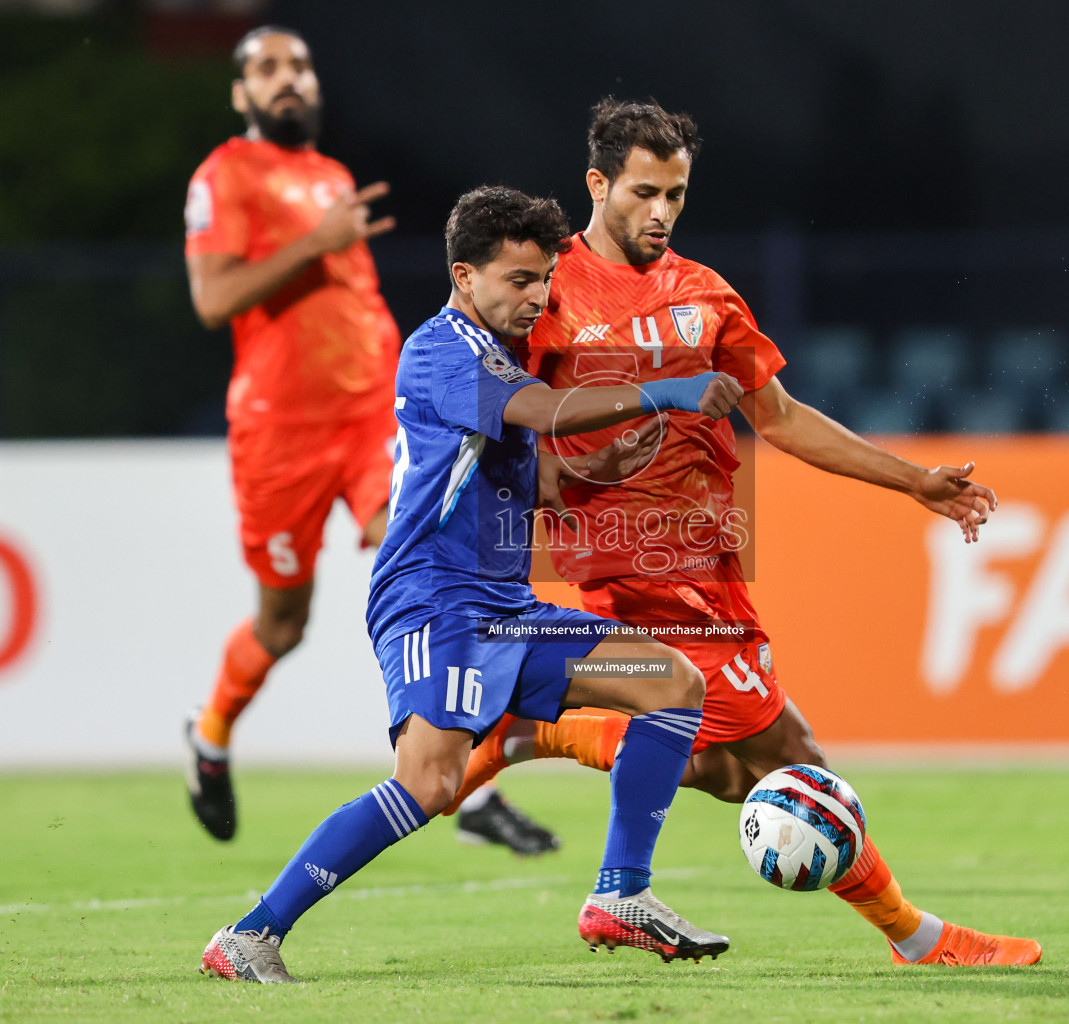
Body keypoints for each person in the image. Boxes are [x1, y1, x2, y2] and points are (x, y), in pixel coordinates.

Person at [446, 98, 1041, 967]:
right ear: (597, 184)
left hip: (712, 561)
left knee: (729, 767)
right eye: (645, 192)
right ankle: (917, 938)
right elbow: (493, 421)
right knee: (791, 760)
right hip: (636, 567)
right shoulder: (547, 292)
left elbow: (784, 418)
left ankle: (538, 732)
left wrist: (914, 481)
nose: (661, 212)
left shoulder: (704, 294)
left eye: (677, 195)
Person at [200, 186, 745, 982]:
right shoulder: (439, 351)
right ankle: (249, 935)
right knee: (429, 782)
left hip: (508, 615)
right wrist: (669, 389)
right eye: (519, 280)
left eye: (544, 280)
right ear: (465, 275)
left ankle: (622, 893)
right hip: (434, 602)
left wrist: (596, 473)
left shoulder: (497, 356)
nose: (537, 296)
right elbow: (549, 409)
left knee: (671, 683)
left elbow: (540, 482)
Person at [180, 25, 556, 854]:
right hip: (279, 434)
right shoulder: (225, 175)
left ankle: (456, 762)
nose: (289, 80)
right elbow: (213, 299)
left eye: (301, 66)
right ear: (241, 94)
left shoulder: (331, 177)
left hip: (369, 425)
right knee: (282, 625)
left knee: (427, 562)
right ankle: (209, 737)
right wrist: (317, 243)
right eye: (268, 70)